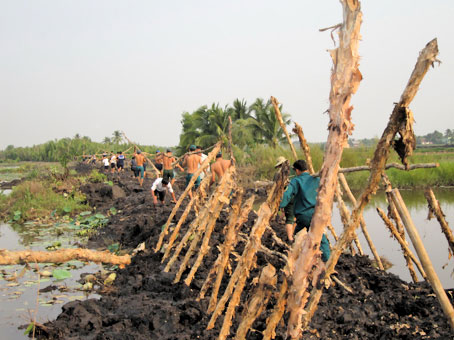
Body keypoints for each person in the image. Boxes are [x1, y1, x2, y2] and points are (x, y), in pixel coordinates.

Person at [279, 159, 331, 262]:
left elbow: (287, 194)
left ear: (297, 170)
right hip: (316, 213)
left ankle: (296, 260)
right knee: (320, 236)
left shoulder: (296, 181)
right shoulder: (315, 179)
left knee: (299, 238)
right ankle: (326, 259)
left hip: (303, 215)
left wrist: (280, 205)